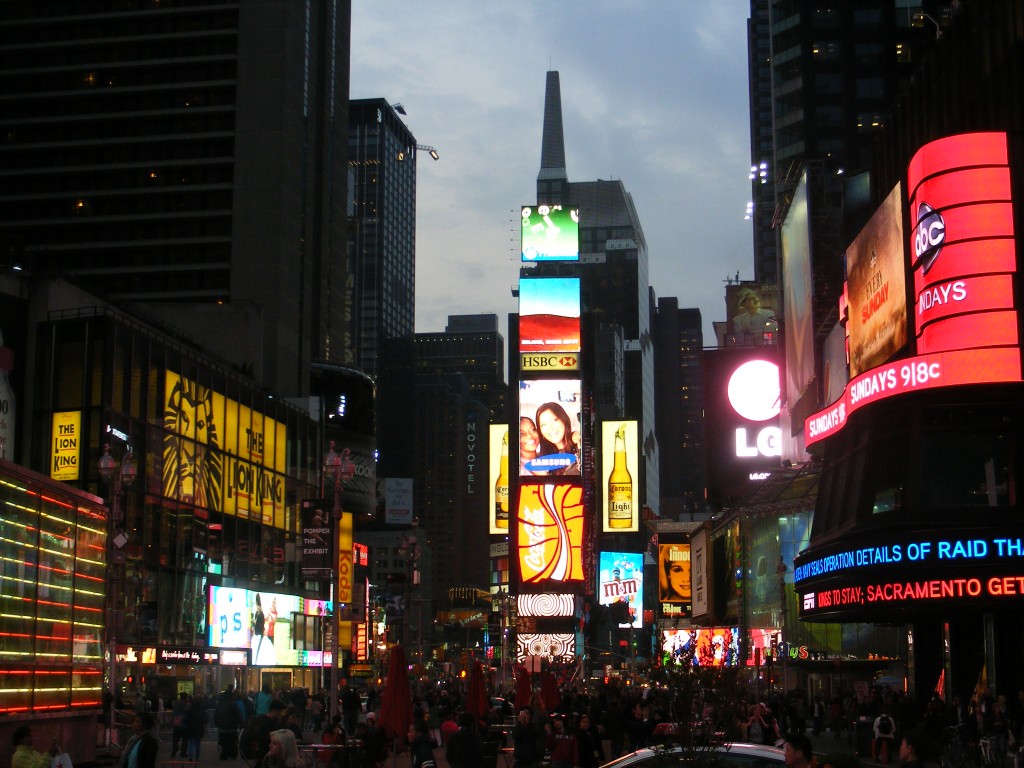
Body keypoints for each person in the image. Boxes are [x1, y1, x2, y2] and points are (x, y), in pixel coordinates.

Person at [535, 402, 580, 474]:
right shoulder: (544, 459)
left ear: (564, 420)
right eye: (543, 424)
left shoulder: (579, 445)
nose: (550, 428)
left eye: (555, 420)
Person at [185, 694, 208, 761]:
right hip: (199, 728)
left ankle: (191, 756)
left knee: (191, 742)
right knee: (198, 743)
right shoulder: (202, 711)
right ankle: (197, 757)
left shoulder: (190, 710)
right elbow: (205, 720)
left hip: (191, 728)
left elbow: (186, 719)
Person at [170, 692, 190, 757]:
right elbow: (187, 711)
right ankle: (183, 752)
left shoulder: (176, 703)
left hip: (176, 722)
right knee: (185, 739)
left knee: (175, 738)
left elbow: (173, 712)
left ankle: (175, 749)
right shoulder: (186, 703)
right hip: (183, 722)